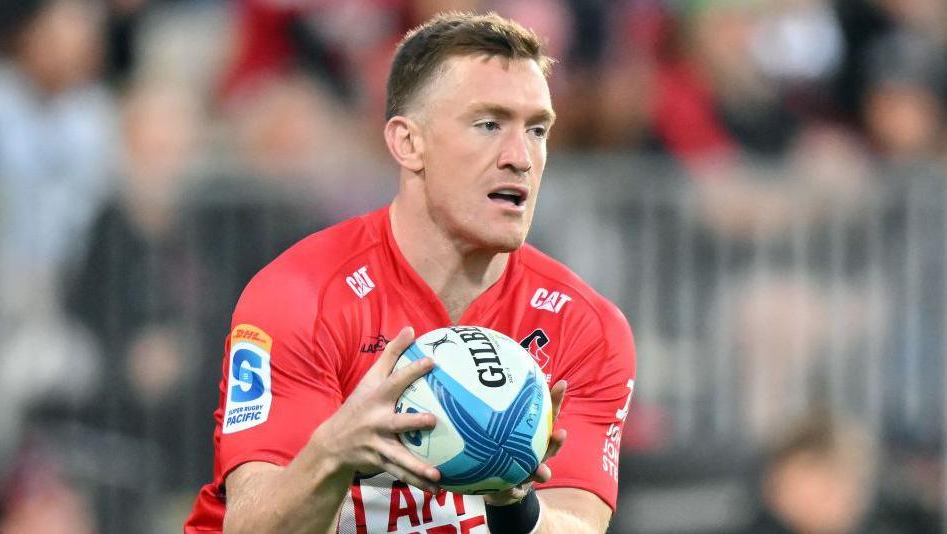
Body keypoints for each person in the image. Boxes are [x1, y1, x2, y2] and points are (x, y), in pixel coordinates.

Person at [185, 11, 636, 533]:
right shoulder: (301, 296)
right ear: (407, 143)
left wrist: (515, 505)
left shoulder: (586, 328)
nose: (521, 157)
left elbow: (577, 524)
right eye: (489, 124)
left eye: (537, 129)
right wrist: (335, 452)